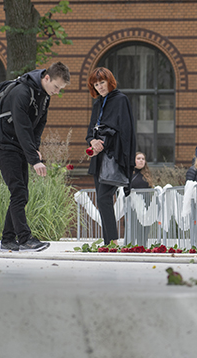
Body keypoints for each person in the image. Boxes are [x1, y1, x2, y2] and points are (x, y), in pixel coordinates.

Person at [0, 61, 70, 252]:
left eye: (61, 89)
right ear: (46, 78)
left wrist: (34, 148)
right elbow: (22, 127)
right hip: (4, 147)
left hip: (18, 147)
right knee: (19, 192)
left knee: (20, 193)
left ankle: (7, 240)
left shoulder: (44, 96)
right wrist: (34, 160)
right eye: (56, 87)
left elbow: (39, 124)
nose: (57, 92)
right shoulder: (22, 92)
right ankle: (25, 239)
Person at [86, 67, 137, 245]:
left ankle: (112, 241)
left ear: (109, 81)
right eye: (96, 84)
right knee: (103, 200)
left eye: (102, 83)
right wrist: (93, 141)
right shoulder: (97, 104)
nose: (99, 87)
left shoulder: (120, 100)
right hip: (98, 159)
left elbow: (125, 131)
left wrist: (104, 143)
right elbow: (90, 130)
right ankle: (109, 241)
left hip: (114, 157)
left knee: (103, 197)